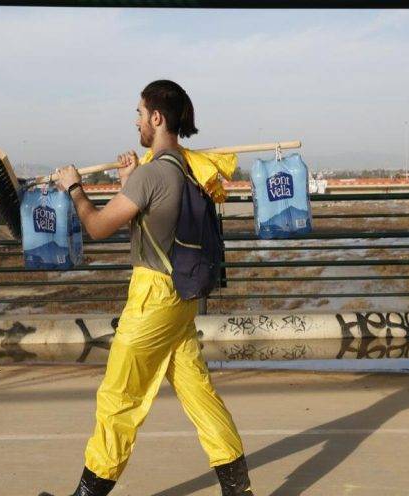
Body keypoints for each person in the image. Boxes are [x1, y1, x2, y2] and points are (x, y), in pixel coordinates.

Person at [43, 80, 253, 496]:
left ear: (157, 118)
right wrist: (128, 180)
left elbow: (99, 226)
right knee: (198, 393)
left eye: (139, 114)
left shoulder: (152, 174)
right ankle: (238, 488)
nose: (136, 122)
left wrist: (74, 188)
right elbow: (155, 222)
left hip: (153, 297)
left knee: (119, 396)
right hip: (182, 296)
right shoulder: (188, 169)